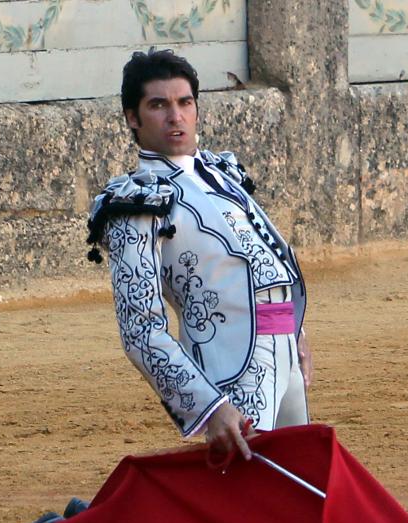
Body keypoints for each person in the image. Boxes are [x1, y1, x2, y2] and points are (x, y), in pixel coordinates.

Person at [87, 49, 313, 461]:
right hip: (231, 368)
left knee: (299, 480)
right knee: (250, 495)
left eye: (184, 102)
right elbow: (141, 330)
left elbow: (264, 262)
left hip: (284, 350)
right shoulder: (135, 202)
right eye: (158, 105)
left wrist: (294, 328)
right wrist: (206, 406)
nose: (175, 116)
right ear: (132, 118)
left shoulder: (223, 174)